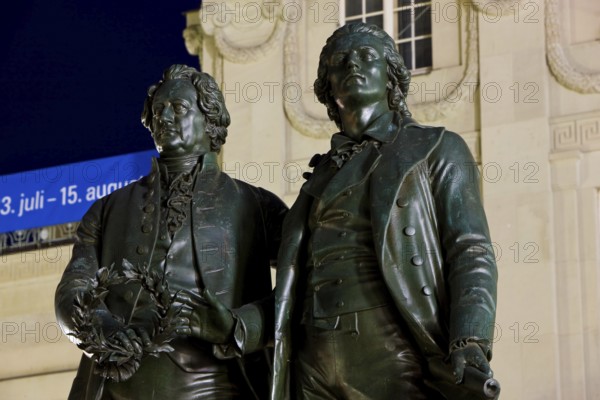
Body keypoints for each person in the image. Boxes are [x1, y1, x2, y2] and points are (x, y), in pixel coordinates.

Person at [271, 23, 498, 399]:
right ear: (327, 87)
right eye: (340, 61)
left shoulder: (436, 148)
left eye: (366, 56)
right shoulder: (320, 176)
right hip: (312, 359)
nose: (352, 65)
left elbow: (470, 249)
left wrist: (469, 337)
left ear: (390, 74)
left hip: (391, 349)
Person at [55, 64, 287, 400]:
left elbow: (304, 286)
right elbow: (72, 289)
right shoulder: (108, 210)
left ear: (210, 120)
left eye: (178, 108)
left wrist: (240, 326)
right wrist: (104, 330)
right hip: (120, 384)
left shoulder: (256, 205)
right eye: (158, 110)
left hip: (220, 383)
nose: (164, 117)